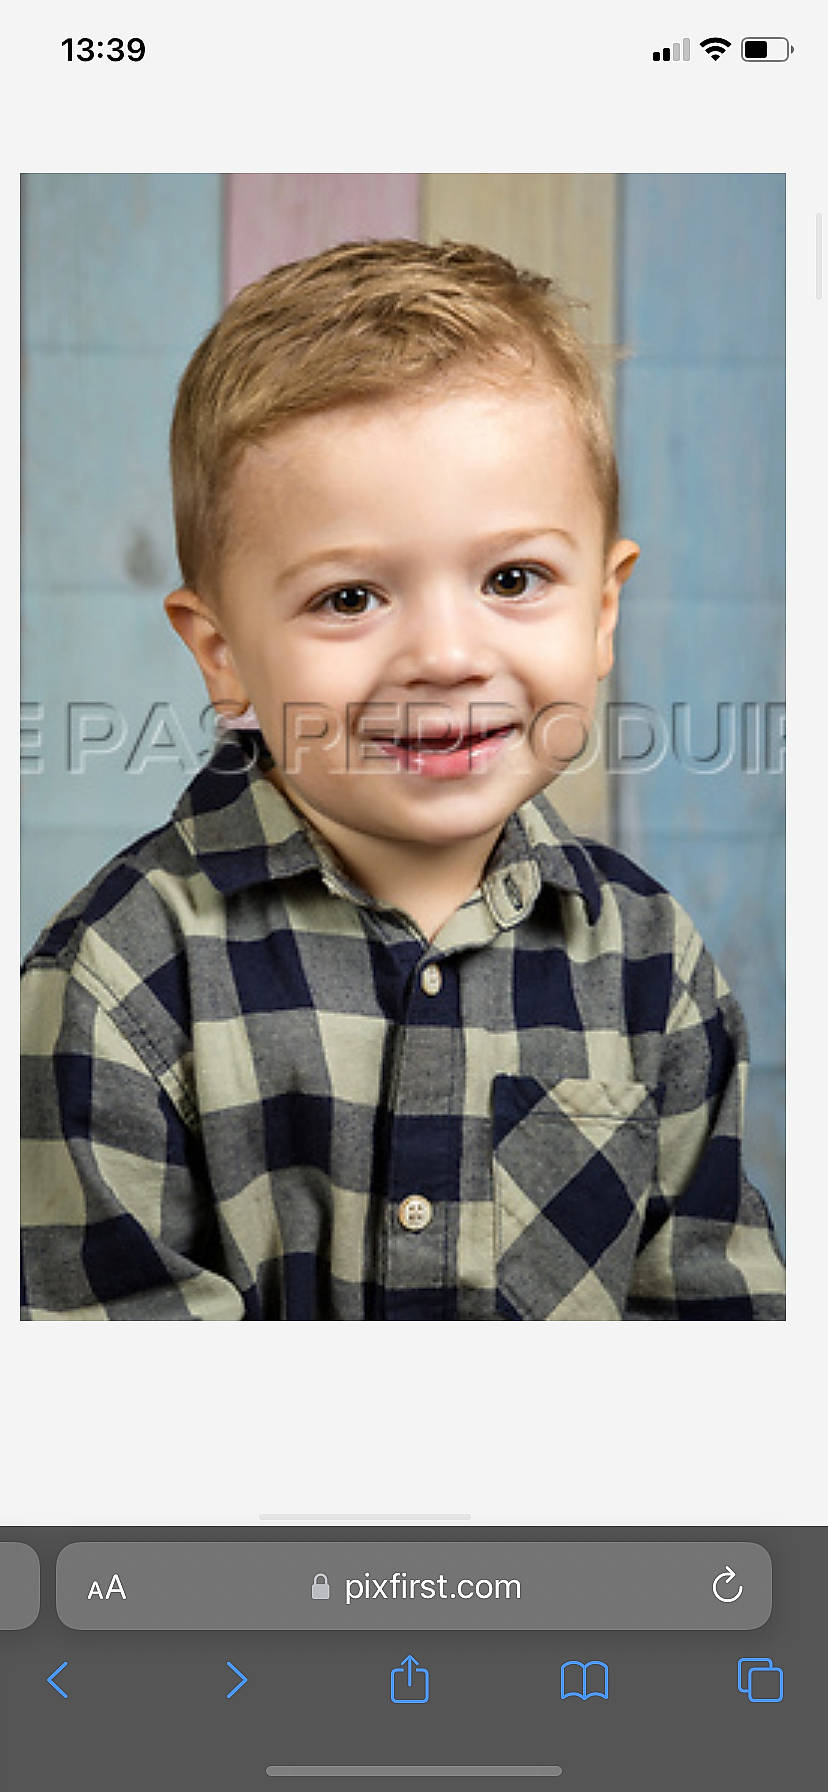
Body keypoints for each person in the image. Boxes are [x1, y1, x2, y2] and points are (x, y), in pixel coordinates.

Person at [20, 239, 785, 1320]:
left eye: (513, 578)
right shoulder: (123, 978)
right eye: (349, 598)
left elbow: (714, 1337)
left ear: (602, 611)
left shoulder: (652, 968)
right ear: (222, 650)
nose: (445, 654)